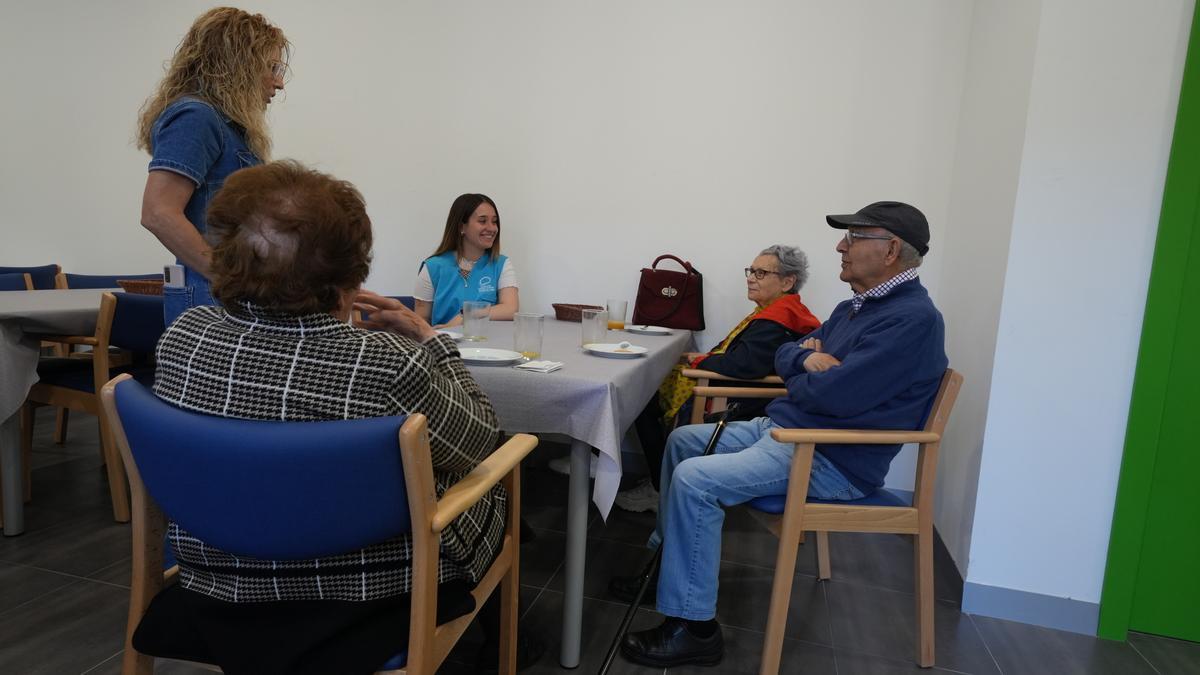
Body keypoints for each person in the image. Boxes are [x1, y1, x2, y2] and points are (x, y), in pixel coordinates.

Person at [142, 161, 539, 674]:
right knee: (500, 484)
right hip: (365, 602)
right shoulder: (387, 362)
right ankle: (510, 642)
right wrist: (431, 339)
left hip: (216, 579)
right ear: (351, 271)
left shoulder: (184, 337)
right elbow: (479, 438)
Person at [611, 201, 948, 668]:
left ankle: (695, 628)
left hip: (829, 457)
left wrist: (804, 374)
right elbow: (789, 354)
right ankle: (668, 566)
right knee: (681, 441)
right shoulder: (857, 307)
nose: (840, 245)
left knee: (695, 479)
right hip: (790, 429)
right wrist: (805, 362)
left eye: (853, 237)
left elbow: (836, 397)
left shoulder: (911, 320)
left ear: (890, 249)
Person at [612, 245, 821, 513]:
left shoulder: (779, 319)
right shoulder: (780, 311)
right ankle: (651, 476)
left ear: (787, 282)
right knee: (648, 386)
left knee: (644, 397)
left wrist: (698, 360)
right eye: (751, 271)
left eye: (761, 272)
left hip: (741, 402)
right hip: (739, 391)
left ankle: (658, 486)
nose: (750, 278)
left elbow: (743, 364)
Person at [136, 7, 290, 326]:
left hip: (225, 295)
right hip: (212, 297)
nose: (279, 82)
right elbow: (158, 213)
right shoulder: (197, 117)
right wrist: (227, 279)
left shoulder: (226, 124)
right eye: (271, 67)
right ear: (239, 65)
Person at [414, 193, 519, 328]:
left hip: (488, 345)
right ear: (461, 227)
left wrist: (466, 316)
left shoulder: (501, 264)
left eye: (494, 221)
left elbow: (510, 309)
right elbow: (420, 322)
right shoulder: (432, 267)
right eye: (482, 221)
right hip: (446, 345)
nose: (492, 228)